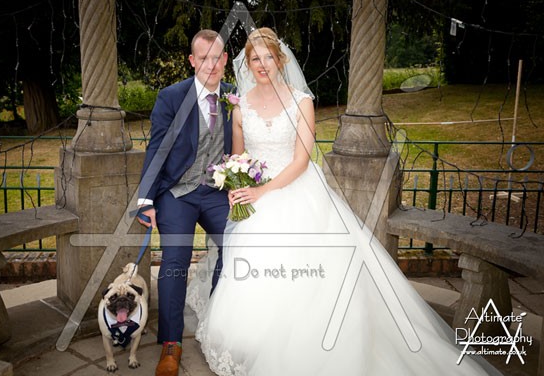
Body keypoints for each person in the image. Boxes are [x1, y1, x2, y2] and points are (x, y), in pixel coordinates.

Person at [187, 28, 502, 375]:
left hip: (296, 194)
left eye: (268, 58)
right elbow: (238, 157)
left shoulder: (301, 102)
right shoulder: (240, 106)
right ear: (247, 64)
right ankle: (254, 345)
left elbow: (301, 161)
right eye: (255, 59)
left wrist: (262, 192)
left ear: (280, 60)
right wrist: (237, 184)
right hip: (256, 198)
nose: (262, 65)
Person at [137, 29, 233, 376]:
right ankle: (171, 343)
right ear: (192, 61)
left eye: (217, 57)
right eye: (203, 58)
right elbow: (156, 148)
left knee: (237, 245)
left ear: (225, 60)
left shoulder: (234, 97)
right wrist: (146, 199)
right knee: (175, 260)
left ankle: (216, 321)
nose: (211, 64)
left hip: (216, 192)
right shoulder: (172, 97)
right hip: (178, 192)